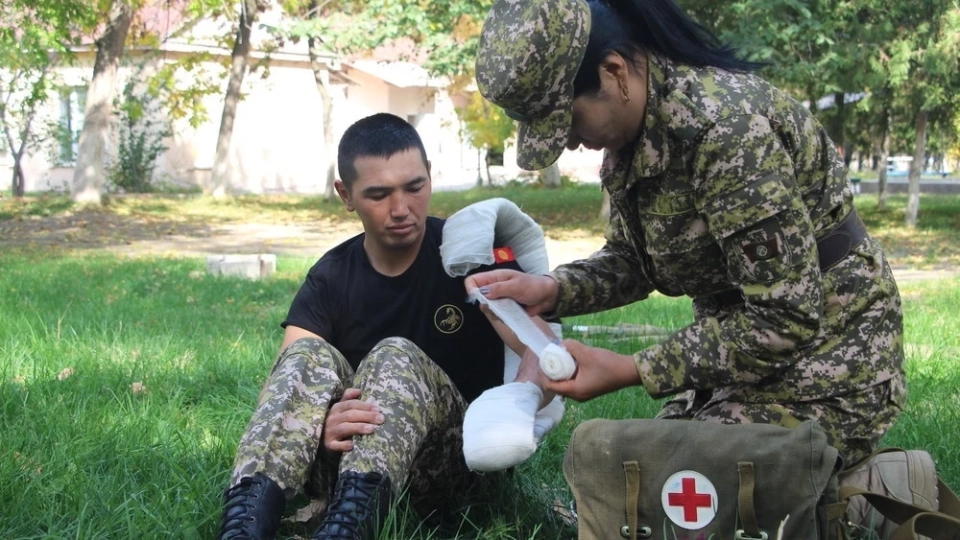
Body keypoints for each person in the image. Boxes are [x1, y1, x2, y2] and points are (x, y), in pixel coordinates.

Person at [469, 0, 905, 465]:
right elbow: (637, 260)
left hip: (831, 360)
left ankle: (870, 488)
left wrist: (632, 368)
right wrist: (553, 290)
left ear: (614, 72)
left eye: (569, 122)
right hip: (741, 359)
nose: (570, 143)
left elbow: (785, 316)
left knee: (669, 479)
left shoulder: (728, 134)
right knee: (633, 469)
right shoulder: (635, 136)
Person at [216, 113, 550, 540]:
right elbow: (282, 388)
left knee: (396, 354)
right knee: (305, 355)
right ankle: (243, 526)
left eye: (415, 187)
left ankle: (347, 532)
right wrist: (321, 425)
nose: (401, 209)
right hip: (346, 464)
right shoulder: (332, 276)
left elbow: (542, 351)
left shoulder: (470, 255)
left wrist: (515, 409)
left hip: (455, 467)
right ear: (346, 195)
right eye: (378, 194)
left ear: (430, 175)